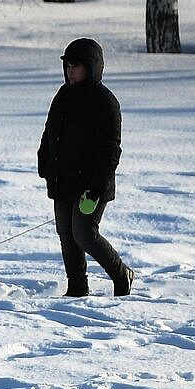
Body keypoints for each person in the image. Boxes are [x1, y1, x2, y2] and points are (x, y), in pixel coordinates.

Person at [37, 37, 135, 297]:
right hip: (62, 180)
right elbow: (50, 133)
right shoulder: (62, 96)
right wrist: (44, 161)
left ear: (91, 67)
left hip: (91, 186)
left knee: (84, 234)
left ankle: (121, 273)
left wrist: (96, 187)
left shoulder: (105, 102)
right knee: (66, 234)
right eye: (67, 66)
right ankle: (77, 287)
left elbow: (110, 151)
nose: (70, 71)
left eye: (76, 66)